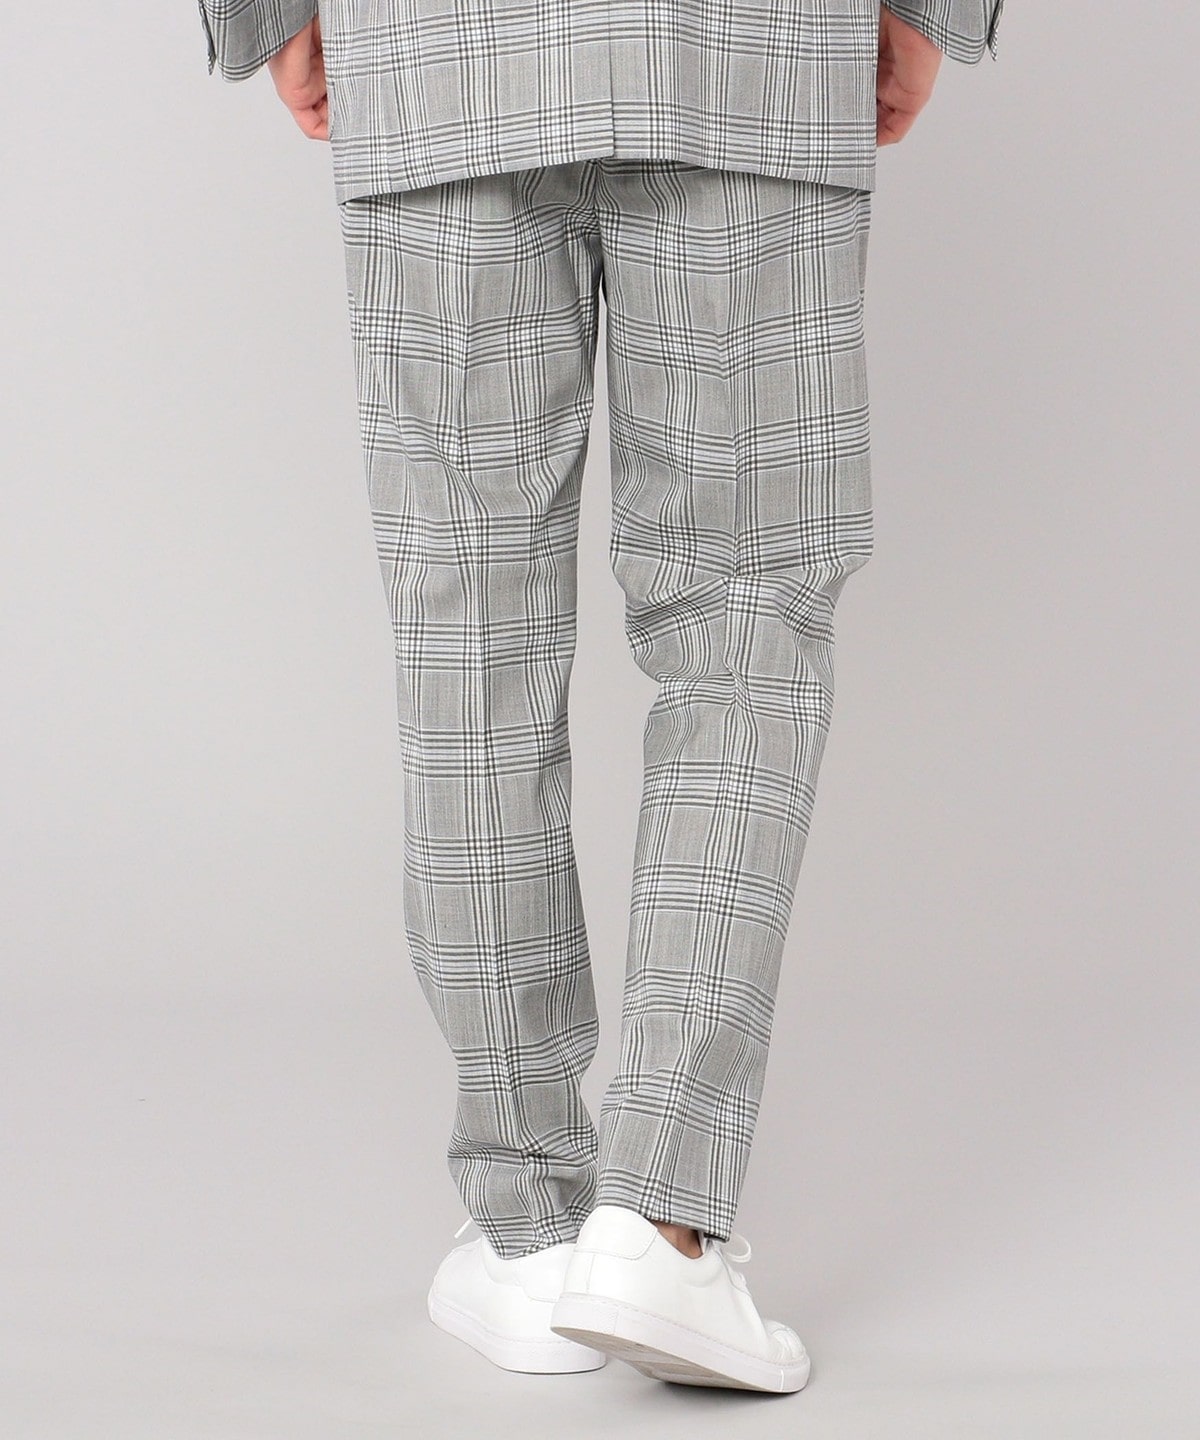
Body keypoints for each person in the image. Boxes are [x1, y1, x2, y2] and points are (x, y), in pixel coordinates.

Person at [198, 0, 1004, 1394]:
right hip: (749, 55)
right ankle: (663, 1227)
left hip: (440, 58)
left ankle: (528, 1231)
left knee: (468, 635)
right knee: (746, 623)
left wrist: (268, 13)